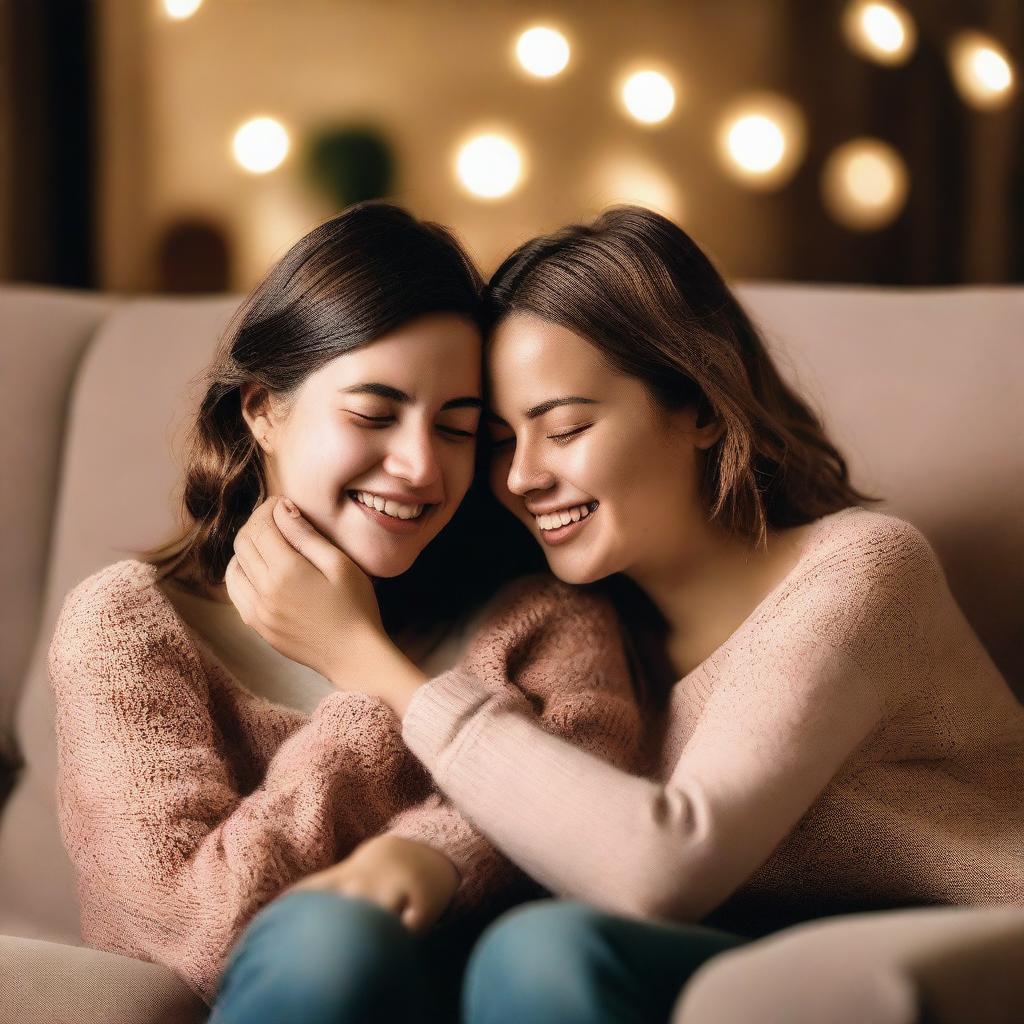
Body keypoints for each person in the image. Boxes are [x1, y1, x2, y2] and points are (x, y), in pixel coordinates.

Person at [230, 204, 1024, 1024]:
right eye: (499, 440)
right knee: (532, 951)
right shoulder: (584, 628)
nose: (522, 478)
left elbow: (662, 864)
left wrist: (360, 657)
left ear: (701, 409)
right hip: (733, 965)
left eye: (565, 427)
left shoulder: (860, 571)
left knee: (549, 950)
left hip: (960, 960)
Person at [47, 202, 643, 1022]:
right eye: (372, 414)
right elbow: (195, 931)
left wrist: (357, 652)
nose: (419, 465)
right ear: (262, 409)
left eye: (460, 429)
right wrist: (363, 704)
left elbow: (584, 832)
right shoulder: (129, 628)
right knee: (335, 943)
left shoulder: (543, 616)